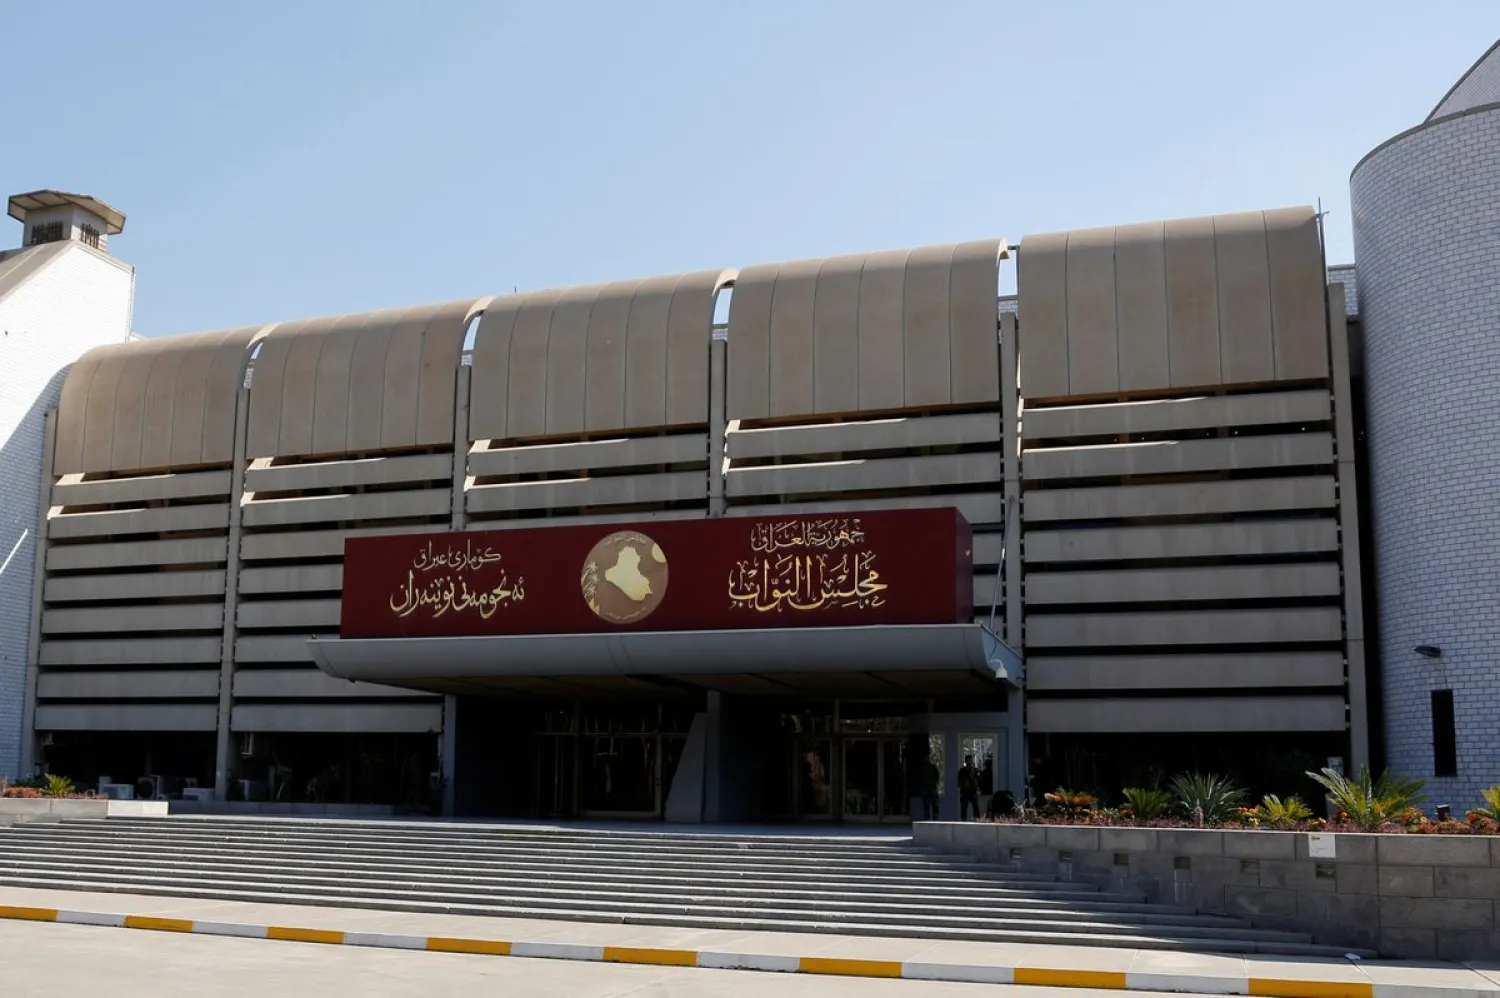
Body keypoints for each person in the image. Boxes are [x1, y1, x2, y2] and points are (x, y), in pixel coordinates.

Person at [958, 755, 980, 820]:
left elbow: (979, 780)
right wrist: (964, 782)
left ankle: (977, 819)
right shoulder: (962, 771)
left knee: (976, 807)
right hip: (964, 792)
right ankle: (963, 820)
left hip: (973, 792)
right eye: (968, 761)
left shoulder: (975, 771)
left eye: (971, 761)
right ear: (965, 761)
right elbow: (959, 782)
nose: (969, 763)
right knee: (963, 808)